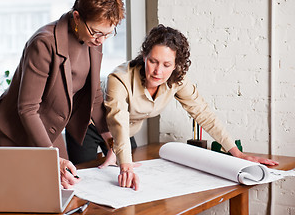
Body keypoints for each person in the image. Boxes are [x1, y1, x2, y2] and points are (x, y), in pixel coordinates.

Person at [104, 24, 278, 191]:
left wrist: (237, 154)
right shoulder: (120, 78)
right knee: (93, 177)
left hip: (125, 134)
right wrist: (125, 165)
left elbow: (203, 114)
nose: (158, 71)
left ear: (176, 65)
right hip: (92, 128)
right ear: (144, 57)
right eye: (153, 61)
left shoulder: (177, 80)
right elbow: (118, 121)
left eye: (167, 65)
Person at [0, 0, 123, 189]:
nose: (101, 40)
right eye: (97, 32)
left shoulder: (93, 41)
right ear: (77, 17)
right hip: (16, 132)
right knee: (24, 197)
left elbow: (95, 93)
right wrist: (52, 157)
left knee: (64, 192)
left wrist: (110, 139)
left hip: (49, 129)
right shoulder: (43, 43)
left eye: (108, 33)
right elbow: (27, 109)